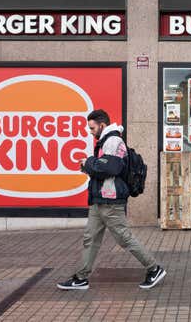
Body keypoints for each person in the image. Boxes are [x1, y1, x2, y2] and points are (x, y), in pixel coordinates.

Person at [57, 109, 166, 291]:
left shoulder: (114, 141)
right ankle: (81, 278)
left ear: (102, 125)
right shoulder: (104, 142)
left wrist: (89, 162)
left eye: (92, 128)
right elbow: (102, 167)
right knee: (90, 238)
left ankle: (154, 268)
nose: (90, 131)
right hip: (99, 200)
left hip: (111, 201)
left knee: (124, 238)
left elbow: (112, 168)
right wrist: (90, 166)